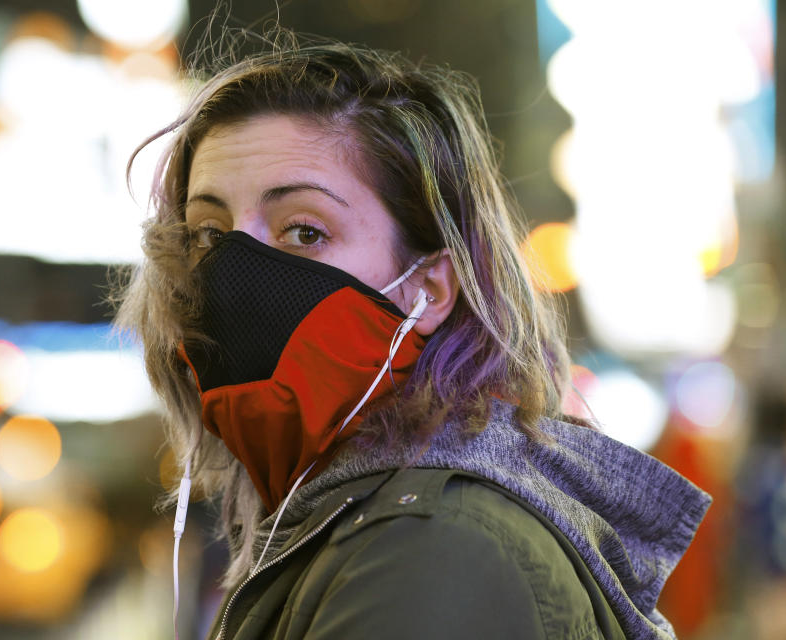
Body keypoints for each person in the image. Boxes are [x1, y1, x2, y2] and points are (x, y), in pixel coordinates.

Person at [116, 32, 711, 640]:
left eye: (303, 231)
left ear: (428, 288)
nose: (234, 270)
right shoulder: (369, 518)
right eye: (209, 234)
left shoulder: (431, 545)